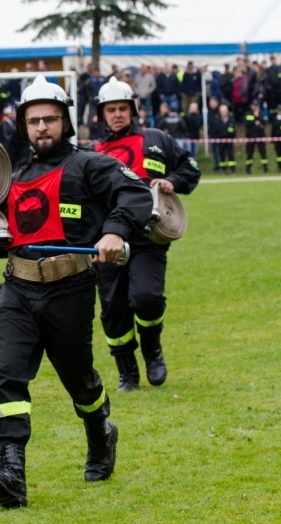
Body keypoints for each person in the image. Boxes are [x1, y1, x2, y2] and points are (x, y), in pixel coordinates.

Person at [0, 75, 153, 508]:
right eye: (34, 121)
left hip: (71, 289)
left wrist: (114, 230)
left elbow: (136, 194)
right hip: (18, 289)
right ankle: (11, 470)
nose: (42, 128)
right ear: (23, 126)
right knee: (1, 370)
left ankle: (100, 431)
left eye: (50, 119)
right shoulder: (11, 177)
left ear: (66, 121)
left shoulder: (90, 165)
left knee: (80, 382)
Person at [93, 76, 200, 391]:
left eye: (123, 108)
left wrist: (173, 182)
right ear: (102, 114)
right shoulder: (93, 152)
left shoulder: (157, 139)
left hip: (149, 237)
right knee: (113, 310)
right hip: (107, 240)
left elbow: (190, 169)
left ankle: (153, 350)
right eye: (111, 109)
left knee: (146, 298)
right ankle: (127, 371)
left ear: (132, 110)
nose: (117, 115)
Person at [243, 101, 268, 174]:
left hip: (260, 136)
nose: (256, 107)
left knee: (263, 153)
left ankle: (265, 169)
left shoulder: (261, 114)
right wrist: (255, 121)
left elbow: (264, 122)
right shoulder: (248, 114)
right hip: (250, 137)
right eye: (254, 105)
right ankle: (248, 169)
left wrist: (257, 116)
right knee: (249, 154)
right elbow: (247, 122)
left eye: (257, 105)